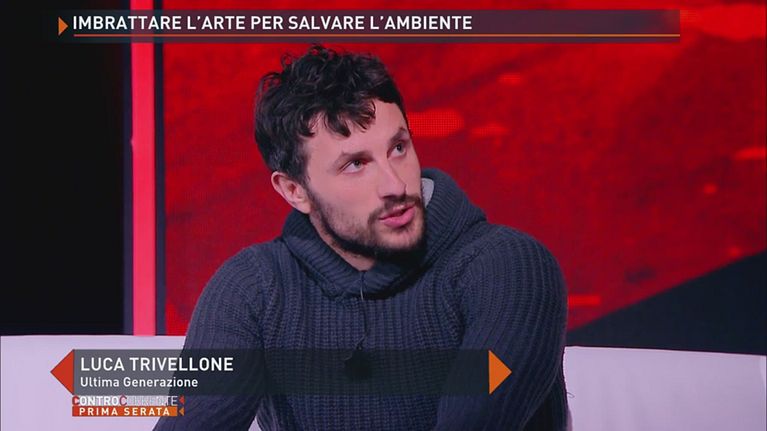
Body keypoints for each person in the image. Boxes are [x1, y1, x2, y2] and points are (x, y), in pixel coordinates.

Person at [155, 44, 568, 430]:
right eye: (355, 164)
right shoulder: (253, 290)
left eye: (398, 148)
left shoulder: (509, 268)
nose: (395, 185)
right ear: (294, 190)